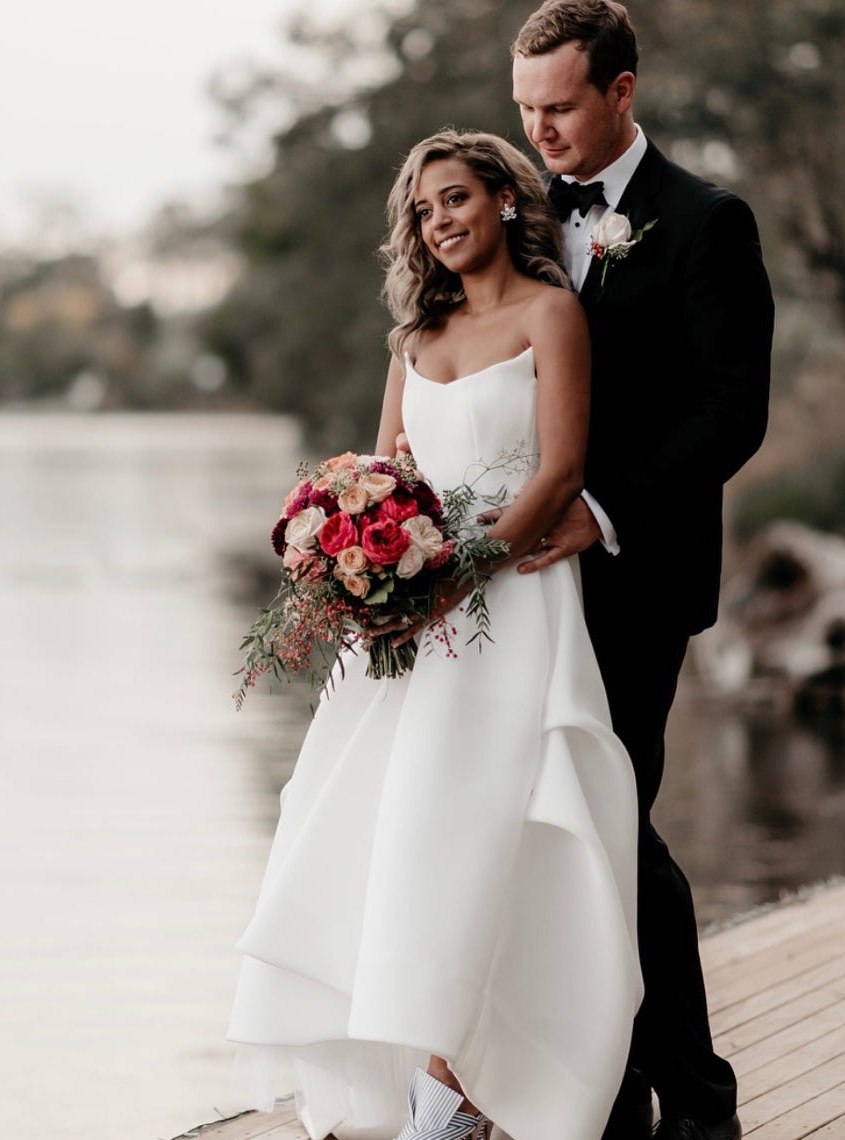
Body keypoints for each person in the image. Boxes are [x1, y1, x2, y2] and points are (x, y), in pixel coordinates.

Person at [228, 130, 644, 1140]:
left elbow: (555, 470)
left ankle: (465, 1085)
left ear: (504, 198)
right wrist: (353, 562)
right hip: (413, 626)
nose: (439, 220)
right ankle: (434, 1076)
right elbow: (387, 475)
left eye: (455, 198)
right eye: (422, 210)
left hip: (514, 606)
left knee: (495, 839)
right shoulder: (411, 340)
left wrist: (464, 573)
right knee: (397, 837)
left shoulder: (553, 315)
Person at [510, 4, 775, 1139]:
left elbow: (733, 413)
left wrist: (603, 513)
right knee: (550, 828)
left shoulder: (708, 221)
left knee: (612, 824)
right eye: (523, 110)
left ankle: (695, 1100)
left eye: (559, 106)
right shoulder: (517, 214)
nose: (540, 131)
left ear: (621, 90)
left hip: (637, 570)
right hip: (520, 590)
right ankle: (606, 1090)